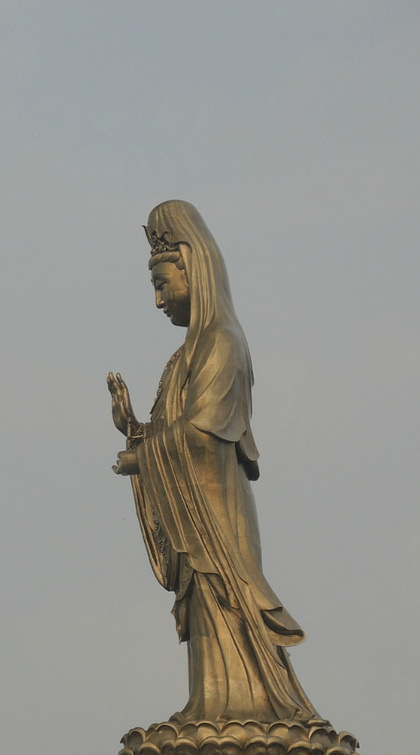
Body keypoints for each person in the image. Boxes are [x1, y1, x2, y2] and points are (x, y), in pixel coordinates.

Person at [108, 200, 318, 725]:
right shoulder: (183, 356)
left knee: (225, 596)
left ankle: (243, 705)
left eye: (162, 282)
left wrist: (141, 456)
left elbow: (204, 433)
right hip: (193, 509)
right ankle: (212, 700)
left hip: (217, 511)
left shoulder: (222, 341)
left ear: (193, 269)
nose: (157, 300)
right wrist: (136, 428)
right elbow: (175, 430)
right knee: (202, 602)